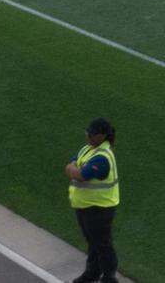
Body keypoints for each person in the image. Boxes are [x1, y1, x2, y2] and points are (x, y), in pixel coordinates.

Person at [66, 117, 122, 282]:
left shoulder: (102, 157)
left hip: (99, 207)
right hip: (85, 206)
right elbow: (72, 163)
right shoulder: (88, 148)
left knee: (103, 244)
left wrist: (73, 168)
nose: (88, 136)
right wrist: (73, 167)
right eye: (88, 132)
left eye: (92, 134)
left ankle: (109, 277)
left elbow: (80, 174)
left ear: (102, 136)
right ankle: (92, 272)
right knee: (92, 241)